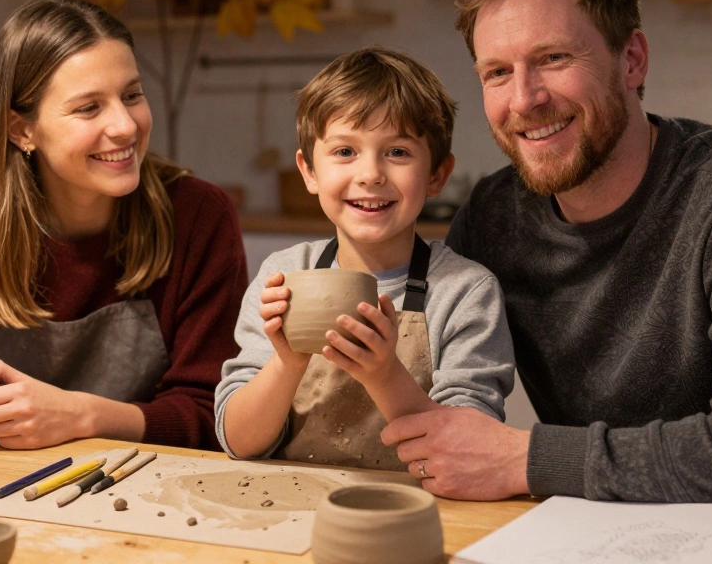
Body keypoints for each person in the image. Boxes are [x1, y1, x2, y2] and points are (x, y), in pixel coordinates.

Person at [380, 0, 712, 515]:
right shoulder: (493, 216)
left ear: (632, 60)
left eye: (554, 58)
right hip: (605, 532)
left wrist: (521, 460)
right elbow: (424, 396)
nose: (525, 98)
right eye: (496, 72)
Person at [0, 0, 246, 450]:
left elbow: (215, 414)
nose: (126, 126)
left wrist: (80, 416)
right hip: (0, 483)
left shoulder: (198, 215)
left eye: (132, 95)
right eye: (89, 108)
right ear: (21, 131)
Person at [216, 47, 514, 471]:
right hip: (289, 513)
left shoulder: (466, 292)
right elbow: (240, 442)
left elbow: (470, 451)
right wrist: (287, 362)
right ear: (309, 172)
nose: (371, 173)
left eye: (397, 152)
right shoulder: (281, 276)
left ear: (437, 175)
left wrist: (383, 374)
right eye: (344, 152)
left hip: (424, 513)